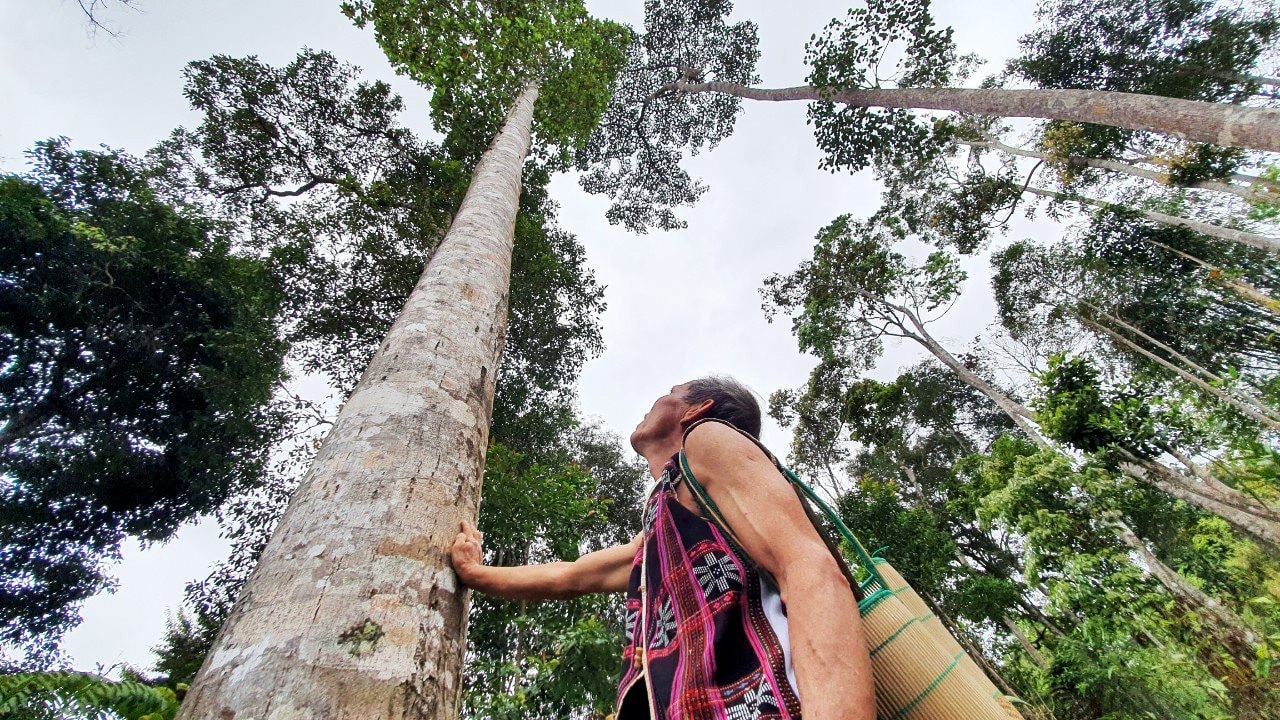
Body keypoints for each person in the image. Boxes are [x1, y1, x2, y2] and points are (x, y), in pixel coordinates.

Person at [450, 376, 876, 719]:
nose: (655, 400)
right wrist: (475, 573)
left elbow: (810, 569)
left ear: (694, 410)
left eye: (672, 391)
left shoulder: (708, 439)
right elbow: (574, 576)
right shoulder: (665, 518)